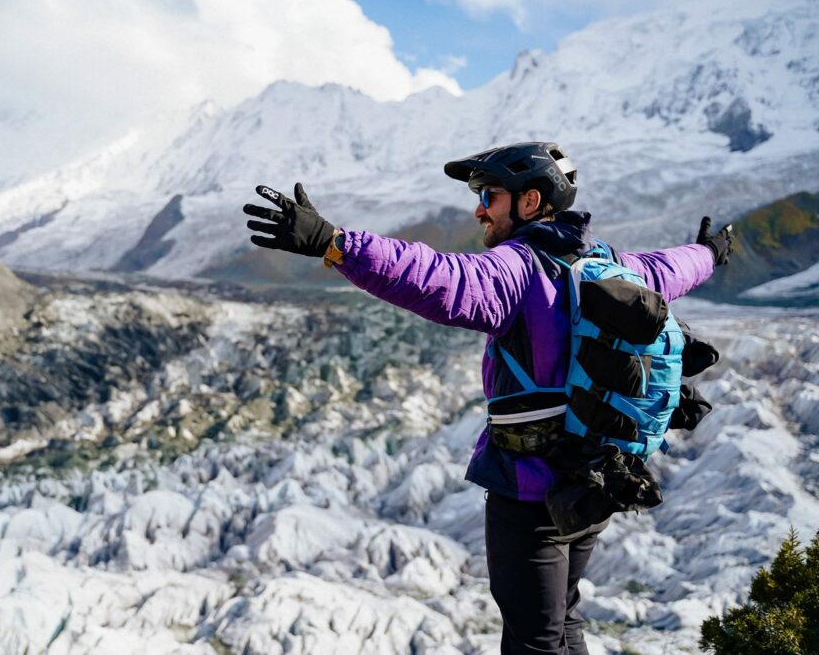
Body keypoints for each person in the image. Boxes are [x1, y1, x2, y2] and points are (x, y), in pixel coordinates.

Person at [242, 142, 734, 655]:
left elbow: (431, 277)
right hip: (593, 480)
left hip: (530, 494)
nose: (479, 209)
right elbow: (669, 268)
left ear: (529, 201)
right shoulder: (608, 266)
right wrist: (710, 254)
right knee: (564, 620)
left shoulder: (517, 271)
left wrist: (333, 242)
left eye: (490, 195)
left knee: (532, 642)